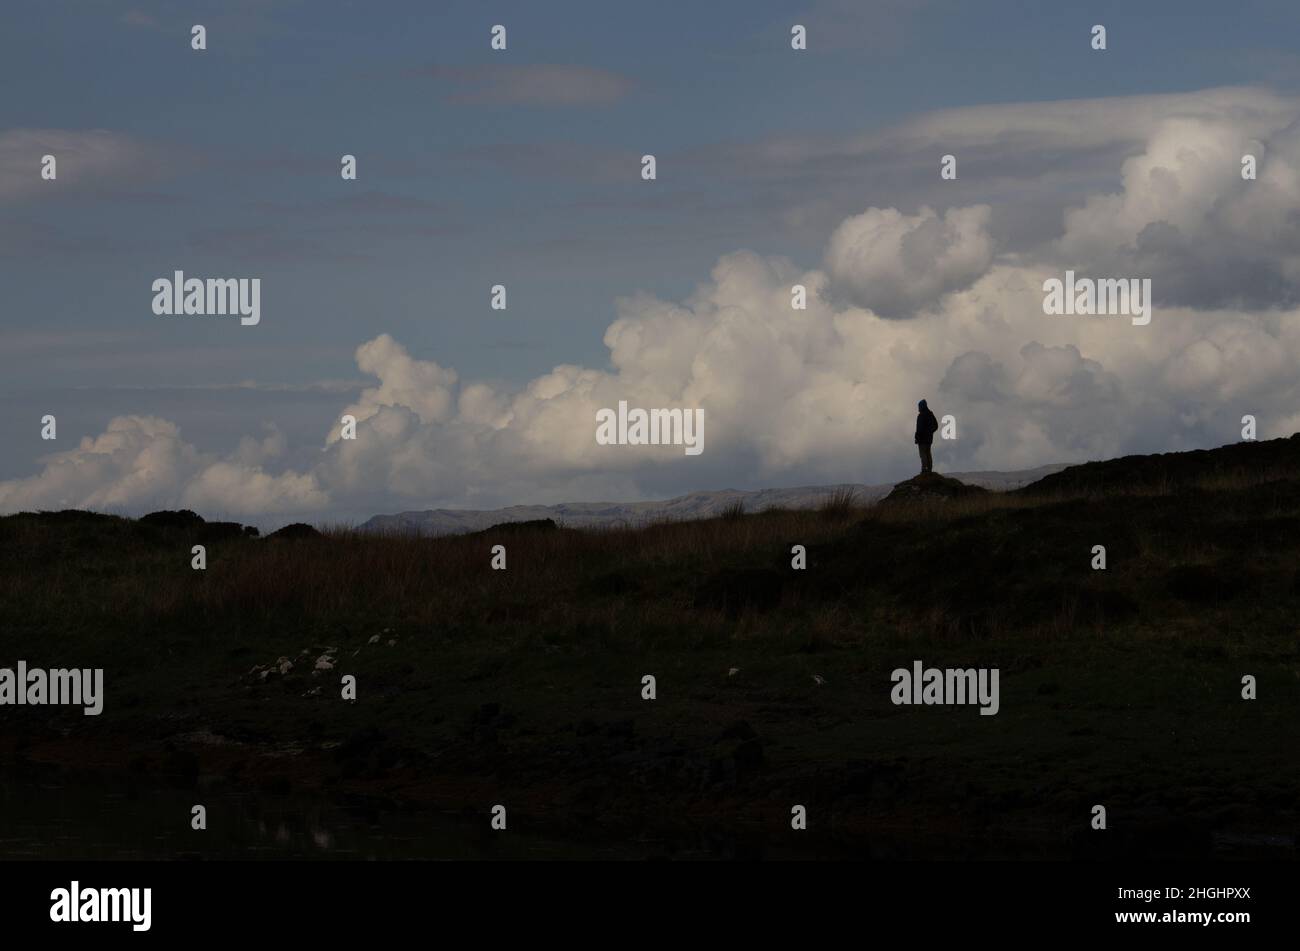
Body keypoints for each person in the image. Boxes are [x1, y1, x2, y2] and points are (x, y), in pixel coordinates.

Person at [914, 399, 939, 473]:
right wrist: (930, 432)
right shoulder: (930, 414)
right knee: (928, 453)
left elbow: (919, 429)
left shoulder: (921, 416)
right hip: (929, 439)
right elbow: (936, 426)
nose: (918, 408)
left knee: (923, 455)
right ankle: (929, 469)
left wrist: (917, 438)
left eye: (919, 406)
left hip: (922, 439)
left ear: (921, 406)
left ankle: (924, 470)